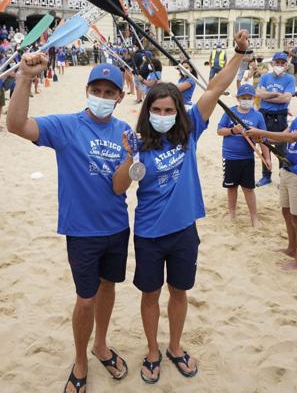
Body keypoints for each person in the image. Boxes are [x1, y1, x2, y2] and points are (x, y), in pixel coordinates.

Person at [112, 30, 250, 384]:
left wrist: (239, 52)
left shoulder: (188, 130)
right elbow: (119, 186)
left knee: (179, 292)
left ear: (177, 111)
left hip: (184, 231)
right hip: (149, 234)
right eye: (156, 109)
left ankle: (174, 346)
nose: (162, 114)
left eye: (168, 109)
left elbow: (215, 88)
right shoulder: (138, 142)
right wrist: (128, 155)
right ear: (148, 111)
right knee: (150, 295)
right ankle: (153, 351)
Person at [8, 59, 131, 393]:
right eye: (97, 90)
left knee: (109, 288)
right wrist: (23, 79)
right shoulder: (66, 126)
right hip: (82, 231)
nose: (102, 96)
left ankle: (100, 345)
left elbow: (122, 187)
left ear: (119, 96)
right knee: (86, 299)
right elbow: (17, 124)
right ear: (87, 91)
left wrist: (131, 159)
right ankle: (80, 358)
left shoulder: (125, 132)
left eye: (109, 92)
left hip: (117, 227)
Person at [248, 82, 297, 270]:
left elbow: (291, 138)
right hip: (287, 171)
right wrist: (264, 139)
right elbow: (281, 135)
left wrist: (261, 132)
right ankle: (292, 248)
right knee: (286, 212)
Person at [217, 83, 266, 226]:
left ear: (254, 98)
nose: (246, 100)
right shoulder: (230, 112)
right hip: (230, 157)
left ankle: (254, 217)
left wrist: (266, 157)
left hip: (247, 158)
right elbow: (219, 131)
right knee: (231, 187)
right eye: (243, 97)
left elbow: (263, 138)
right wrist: (233, 131)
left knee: (248, 188)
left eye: (249, 97)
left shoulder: (257, 116)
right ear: (238, 98)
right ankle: (231, 214)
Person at [255, 52, 295, 187]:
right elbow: (258, 93)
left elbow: (286, 98)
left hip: (280, 116)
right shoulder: (265, 77)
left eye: (282, 63)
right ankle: (266, 176)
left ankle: (282, 177)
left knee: (281, 148)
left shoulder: (290, 79)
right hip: (264, 114)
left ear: (286, 64)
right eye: (277, 63)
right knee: (264, 145)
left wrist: (267, 96)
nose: (279, 65)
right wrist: (276, 94)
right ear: (272, 63)